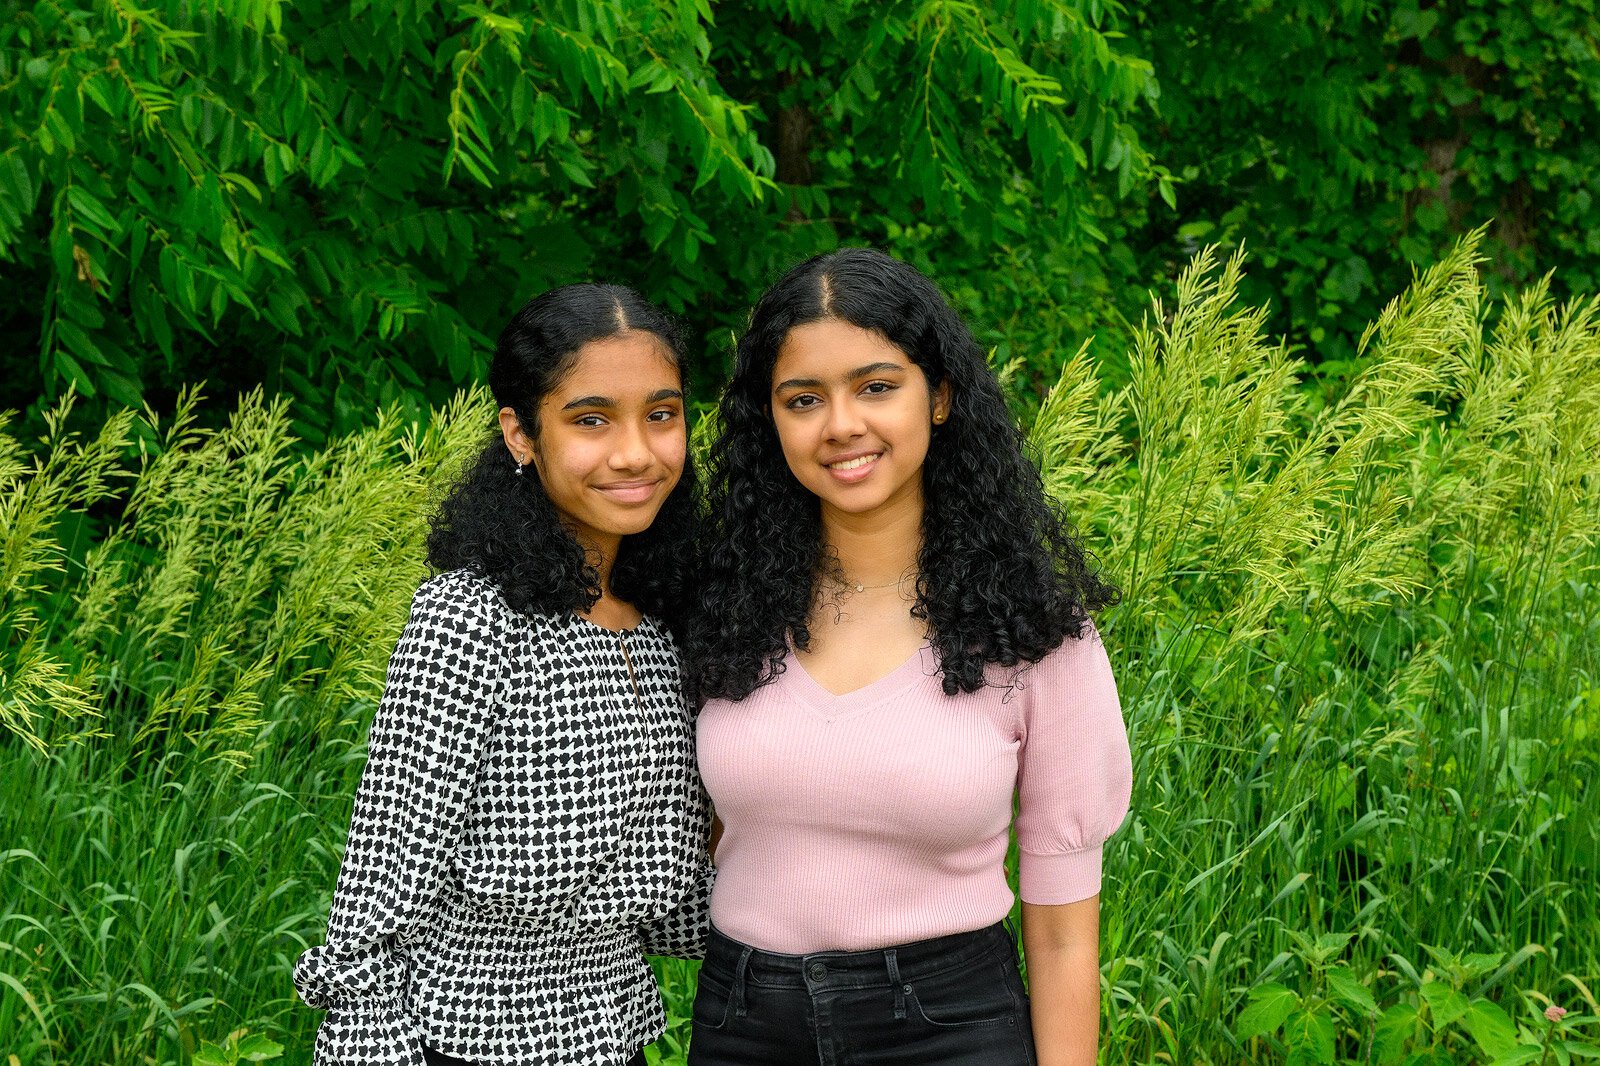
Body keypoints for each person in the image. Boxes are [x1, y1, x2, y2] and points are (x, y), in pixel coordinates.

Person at [686, 248, 1132, 1066]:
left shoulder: (1034, 634)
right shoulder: (723, 610)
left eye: (877, 386)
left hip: (950, 1029)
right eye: (803, 399)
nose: (842, 424)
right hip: (743, 1028)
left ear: (941, 398)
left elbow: (1066, 941)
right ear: (770, 421)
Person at [293, 284, 711, 1066]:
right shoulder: (472, 616)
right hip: (460, 1039)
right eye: (591, 419)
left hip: (612, 1035)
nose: (636, 451)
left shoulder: (663, 621)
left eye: (661, 414)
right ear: (520, 434)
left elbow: (677, 907)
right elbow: (384, 876)